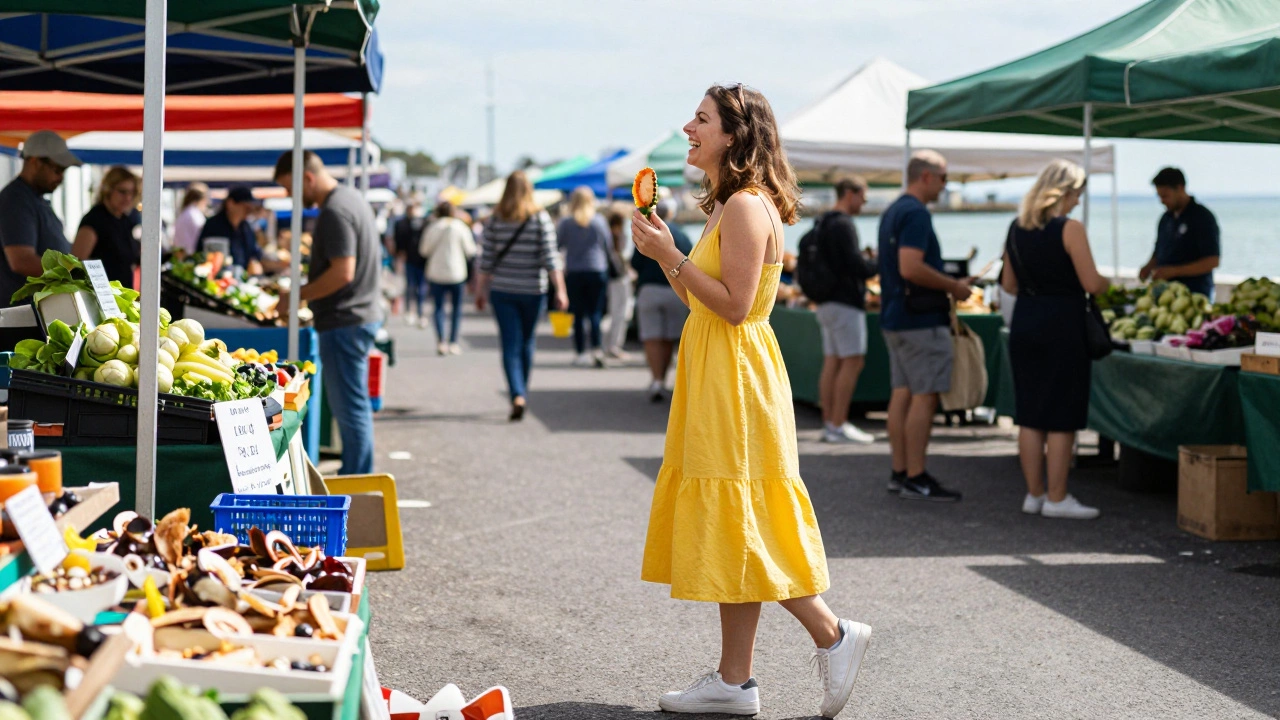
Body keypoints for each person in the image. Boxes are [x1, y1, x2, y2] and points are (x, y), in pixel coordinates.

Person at [633, 84, 871, 719]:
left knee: (744, 519)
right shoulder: (728, 204)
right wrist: (668, 259)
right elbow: (701, 299)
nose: (689, 126)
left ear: (734, 136)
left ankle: (832, 634)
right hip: (722, 367)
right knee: (732, 518)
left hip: (735, 376)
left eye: (702, 119)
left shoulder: (742, 206)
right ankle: (734, 681)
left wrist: (670, 255)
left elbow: (736, 306)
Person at [1001, 160, 1109, 520]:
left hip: (1026, 323)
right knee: (1062, 415)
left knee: (1030, 415)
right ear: (1065, 192)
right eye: (1077, 193)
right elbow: (1092, 283)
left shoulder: (1016, 229)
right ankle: (1058, 498)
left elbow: (1008, 286)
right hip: (1062, 324)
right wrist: (1108, 283)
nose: (1078, 201)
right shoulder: (1070, 229)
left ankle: (1034, 494)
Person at [273, 150, 383, 475]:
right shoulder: (351, 199)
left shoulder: (335, 210)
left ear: (307, 177)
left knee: (351, 409)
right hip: (356, 317)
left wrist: (297, 297)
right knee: (353, 406)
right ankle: (357, 478)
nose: (290, 196)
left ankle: (357, 482)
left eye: (290, 187)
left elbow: (342, 272)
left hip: (345, 320)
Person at [877, 150, 971, 502]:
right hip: (918, 320)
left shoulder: (893, 210)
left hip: (896, 317)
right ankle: (915, 474)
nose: (947, 186)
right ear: (927, 176)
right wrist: (954, 286)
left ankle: (901, 472)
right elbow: (911, 267)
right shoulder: (915, 213)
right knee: (923, 396)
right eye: (945, 178)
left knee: (902, 394)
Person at [476, 171, 566, 421]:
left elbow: (486, 260)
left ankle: (516, 393)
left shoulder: (494, 219)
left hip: (503, 290)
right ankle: (522, 392)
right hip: (533, 291)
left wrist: (480, 289)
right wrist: (560, 289)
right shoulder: (540, 218)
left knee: (509, 344)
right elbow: (551, 258)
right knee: (527, 342)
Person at [813, 176, 877, 445]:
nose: (864, 202)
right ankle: (838, 424)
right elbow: (857, 267)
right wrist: (879, 263)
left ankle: (830, 423)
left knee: (833, 361)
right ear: (850, 193)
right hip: (844, 302)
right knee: (852, 361)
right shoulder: (843, 224)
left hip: (825, 301)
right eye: (863, 196)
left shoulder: (824, 221)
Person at [0, 131, 81, 307]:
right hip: (21, 317)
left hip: (38, 312)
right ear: (35, 161)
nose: (61, 177)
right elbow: (21, 260)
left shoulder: (35, 199)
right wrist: (75, 275)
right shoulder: (16, 199)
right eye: (57, 169)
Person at [632, 199, 693, 402]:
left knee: (652, 337)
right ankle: (666, 380)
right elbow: (692, 262)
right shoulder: (682, 235)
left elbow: (635, 262)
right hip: (676, 291)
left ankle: (657, 380)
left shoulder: (646, 232)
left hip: (649, 289)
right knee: (669, 337)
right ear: (672, 214)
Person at [1139, 167, 1220, 298]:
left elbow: (1212, 261)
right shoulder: (1165, 219)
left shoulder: (1203, 217)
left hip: (1194, 295)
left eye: (1165, 196)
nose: (1162, 201)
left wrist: (1174, 271)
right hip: (1166, 294)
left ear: (1180, 188)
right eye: (1159, 196)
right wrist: (1148, 267)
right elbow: (1158, 252)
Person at [557, 187, 612, 368]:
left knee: (577, 314)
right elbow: (608, 246)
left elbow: (558, 245)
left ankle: (580, 352)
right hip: (597, 269)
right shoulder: (599, 221)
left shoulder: (566, 222)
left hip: (575, 271)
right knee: (595, 313)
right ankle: (597, 349)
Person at [420, 200, 476, 355]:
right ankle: (453, 342)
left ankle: (440, 341)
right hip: (457, 273)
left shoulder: (433, 227)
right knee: (456, 309)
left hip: (436, 273)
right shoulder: (461, 227)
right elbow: (471, 251)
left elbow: (424, 250)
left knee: (438, 308)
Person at [71, 166, 141, 289]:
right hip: (101, 299)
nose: (128, 198)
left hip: (122, 297)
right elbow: (76, 265)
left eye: (132, 192)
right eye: (122, 192)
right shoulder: (94, 220)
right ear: (107, 190)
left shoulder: (125, 220)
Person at [198, 186, 271, 274]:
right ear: (231, 203)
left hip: (242, 279)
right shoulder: (213, 226)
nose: (248, 211)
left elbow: (254, 253)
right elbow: (206, 257)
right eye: (245, 207)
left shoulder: (246, 227)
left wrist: (255, 261)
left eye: (250, 208)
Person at [392, 201, 429, 327]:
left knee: (421, 288)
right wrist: (399, 255)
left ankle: (420, 312)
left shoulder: (424, 223)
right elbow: (399, 241)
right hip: (410, 260)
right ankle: (410, 311)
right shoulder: (402, 223)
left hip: (422, 260)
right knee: (410, 286)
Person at [603, 211, 632, 360]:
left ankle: (612, 345)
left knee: (617, 312)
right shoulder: (616, 239)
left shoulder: (611, 239)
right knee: (619, 312)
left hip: (615, 278)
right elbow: (624, 255)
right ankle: (613, 346)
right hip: (618, 279)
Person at [171, 182, 209, 257]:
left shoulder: (184, 213)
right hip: (190, 257)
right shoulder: (194, 214)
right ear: (202, 200)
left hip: (180, 255)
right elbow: (201, 236)